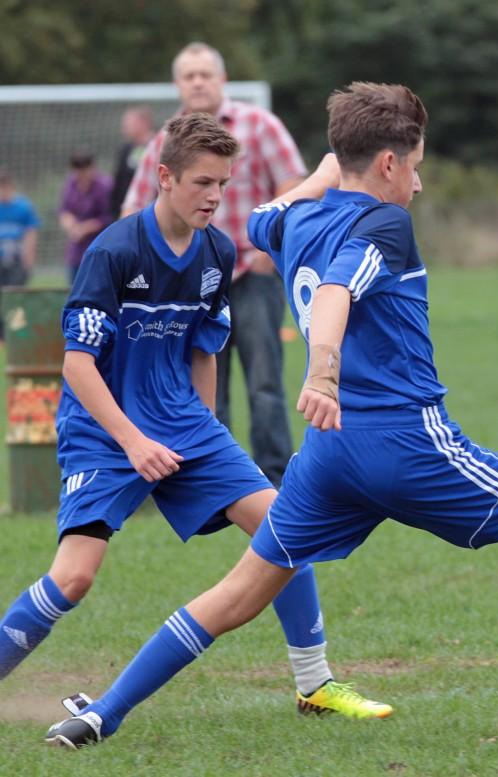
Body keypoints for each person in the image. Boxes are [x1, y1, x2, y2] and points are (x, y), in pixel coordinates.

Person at [44, 83, 498, 750]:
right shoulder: (384, 224)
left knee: (238, 593)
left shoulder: (293, 222)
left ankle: (102, 712)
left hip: (327, 456)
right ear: (388, 164)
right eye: (414, 165)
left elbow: (265, 215)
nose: (417, 185)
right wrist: (323, 370)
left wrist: (325, 173)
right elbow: (337, 290)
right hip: (404, 440)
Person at [0, 114, 387, 728]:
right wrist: (133, 443)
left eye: (224, 185)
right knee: (73, 578)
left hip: (183, 423)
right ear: (163, 177)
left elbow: (205, 345)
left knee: (285, 526)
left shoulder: (218, 251)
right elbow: (75, 366)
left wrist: (203, 432)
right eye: (203, 183)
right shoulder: (114, 250)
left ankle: (314, 684)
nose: (214, 197)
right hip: (106, 432)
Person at [123, 41, 305, 486]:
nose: (198, 82)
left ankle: (276, 479)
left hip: (251, 273)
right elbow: (133, 211)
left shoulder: (259, 125)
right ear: (178, 84)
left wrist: (270, 251)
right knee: (205, 383)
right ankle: (212, 476)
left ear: (222, 80)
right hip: (189, 285)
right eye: (190, 75)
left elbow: (295, 186)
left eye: (206, 74)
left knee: (264, 384)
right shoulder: (164, 143)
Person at [58, 151, 114, 284]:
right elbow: (64, 209)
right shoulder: (70, 183)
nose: (81, 175)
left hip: (100, 247)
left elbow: (109, 216)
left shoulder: (105, 186)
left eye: (84, 170)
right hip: (76, 250)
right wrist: (69, 222)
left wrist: (85, 228)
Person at [0, 170, 39, 340]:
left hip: (16, 260)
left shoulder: (23, 206)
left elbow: (31, 233)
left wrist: (28, 261)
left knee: (15, 297)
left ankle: (15, 334)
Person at [111, 106, 157, 221]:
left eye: (129, 123)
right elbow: (118, 181)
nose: (125, 127)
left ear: (144, 123)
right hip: (126, 213)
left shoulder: (159, 147)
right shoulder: (125, 150)